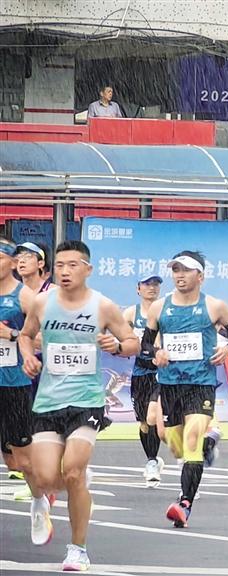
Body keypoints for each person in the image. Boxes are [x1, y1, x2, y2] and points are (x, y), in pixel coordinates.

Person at [18, 240, 139, 571]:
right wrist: (28, 356)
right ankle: (63, 487)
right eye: (60, 265)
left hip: (86, 400)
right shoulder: (42, 302)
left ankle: (78, 549)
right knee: (46, 478)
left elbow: (133, 342)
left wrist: (116, 345)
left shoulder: (103, 306)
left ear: (88, 269)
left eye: (73, 265)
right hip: (48, 401)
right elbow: (26, 335)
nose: (65, 271)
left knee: (72, 471)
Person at [141, 250, 228, 528]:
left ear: (200, 276)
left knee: (192, 440)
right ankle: (209, 444)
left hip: (201, 384)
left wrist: (227, 349)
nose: (180, 275)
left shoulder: (214, 306)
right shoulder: (159, 308)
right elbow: (145, 345)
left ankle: (184, 504)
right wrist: (157, 353)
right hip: (170, 385)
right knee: (174, 444)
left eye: (186, 270)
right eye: (176, 270)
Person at [0, 237, 51, 544]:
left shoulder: (25, 297)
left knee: (20, 462)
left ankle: (38, 501)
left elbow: (46, 338)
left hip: (14, 386)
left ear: (10, 262)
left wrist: (12, 334)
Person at [123, 274, 164, 487]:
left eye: (155, 284)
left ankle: (152, 462)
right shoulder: (132, 313)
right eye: (147, 284)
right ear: (138, 288)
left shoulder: (164, 311)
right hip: (140, 373)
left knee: (152, 416)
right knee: (144, 423)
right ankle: (152, 458)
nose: (152, 288)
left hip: (160, 373)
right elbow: (119, 333)